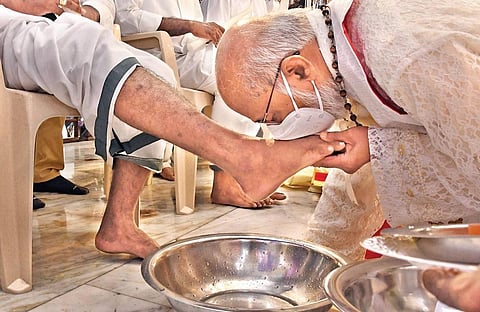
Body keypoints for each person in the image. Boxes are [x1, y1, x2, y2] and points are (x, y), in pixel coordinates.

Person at [0, 0, 343, 259]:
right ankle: (243, 156)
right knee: (84, 41)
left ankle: (119, 223)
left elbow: (105, 5)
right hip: (12, 26)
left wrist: (83, 9)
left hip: (64, 26)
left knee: (155, 71)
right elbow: (127, 12)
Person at [215, 0, 480, 261]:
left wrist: (377, 147)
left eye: (273, 117)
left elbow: (473, 162)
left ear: (297, 70)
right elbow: (352, 188)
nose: (280, 129)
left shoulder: (405, 55)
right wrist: (317, 261)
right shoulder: (338, 55)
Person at [114, 0, 288, 208]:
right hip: (158, 56)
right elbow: (123, 17)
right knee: (241, 73)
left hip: (195, 53)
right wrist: (188, 25)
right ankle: (226, 183)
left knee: (252, 65)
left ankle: (243, 178)